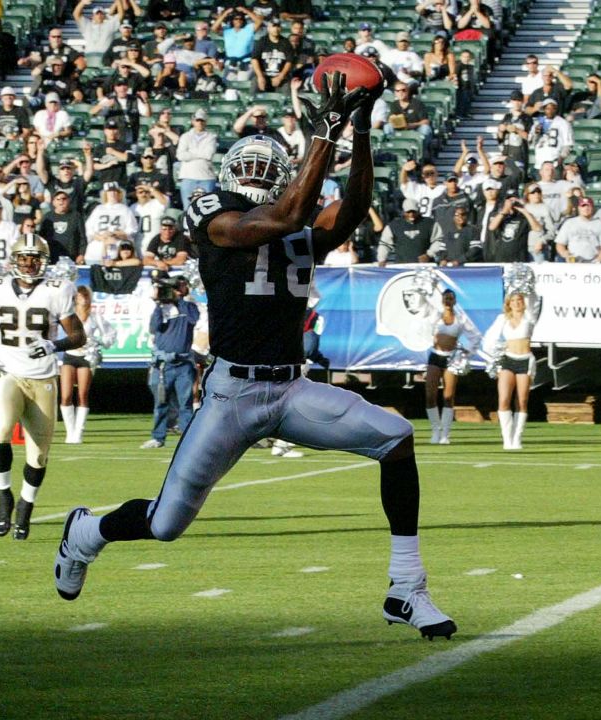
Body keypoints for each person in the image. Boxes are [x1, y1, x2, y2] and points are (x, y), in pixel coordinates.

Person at [53, 73, 458, 641]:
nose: (255, 175)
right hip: (230, 395)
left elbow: (353, 207)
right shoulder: (214, 211)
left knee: (395, 437)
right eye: (248, 167)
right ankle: (87, 531)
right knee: (166, 525)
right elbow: (284, 218)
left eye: (267, 168)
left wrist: (359, 130)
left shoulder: (295, 214)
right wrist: (325, 132)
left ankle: (406, 587)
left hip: (291, 389)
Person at [0, 234, 85, 541]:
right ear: (14, 260)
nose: (29, 263)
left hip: (43, 378)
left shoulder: (56, 290)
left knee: (38, 455)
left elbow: (79, 336)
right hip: (8, 372)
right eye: (24, 258)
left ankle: (26, 505)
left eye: (35, 258)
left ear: (43, 261)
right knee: (2, 431)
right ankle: (2, 495)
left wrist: (53, 343)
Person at [141, 274, 198, 449]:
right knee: (161, 402)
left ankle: (187, 437)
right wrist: (159, 303)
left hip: (183, 364)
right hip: (164, 364)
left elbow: (192, 319)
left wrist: (178, 299)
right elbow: (154, 327)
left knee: (185, 403)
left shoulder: (189, 306)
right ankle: (158, 437)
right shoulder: (162, 308)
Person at [483, 287, 539, 450]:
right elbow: (489, 337)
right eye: (513, 301)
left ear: (523, 302)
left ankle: (517, 438)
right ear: (508, 303)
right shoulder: (503, 318)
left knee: (521, 401)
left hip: (525, 360)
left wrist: (527, 286)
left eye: (519, 300)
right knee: (504, 400)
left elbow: (535, 300)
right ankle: (507, 439)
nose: (516, 303)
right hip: (508, 360)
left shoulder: (530, 316)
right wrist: (494, 353)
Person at [423, 289, 479, 445]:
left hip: (452, 358)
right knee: (430, 395)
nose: (448, 301)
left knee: (448, 397)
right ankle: (435, 430)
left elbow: (475, 336)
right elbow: (424, 323)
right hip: (435, 356)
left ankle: (445, 434)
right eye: (445, 298)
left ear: (454, 301)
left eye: (450, 298)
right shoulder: (436, 316)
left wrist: (467, 353)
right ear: (442, 300)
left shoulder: (460, 318)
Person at [60, 285, 115, 445]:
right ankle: (70, 432)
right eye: (79, 295)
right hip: (69, 356)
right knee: (65, 395)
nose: (82, 298)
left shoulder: (95, 316)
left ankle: (79, 432)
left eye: (85, 295)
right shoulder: (68, 315)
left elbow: (110, 334)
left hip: (86, 357)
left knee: (83, 394)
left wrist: (97, 342)